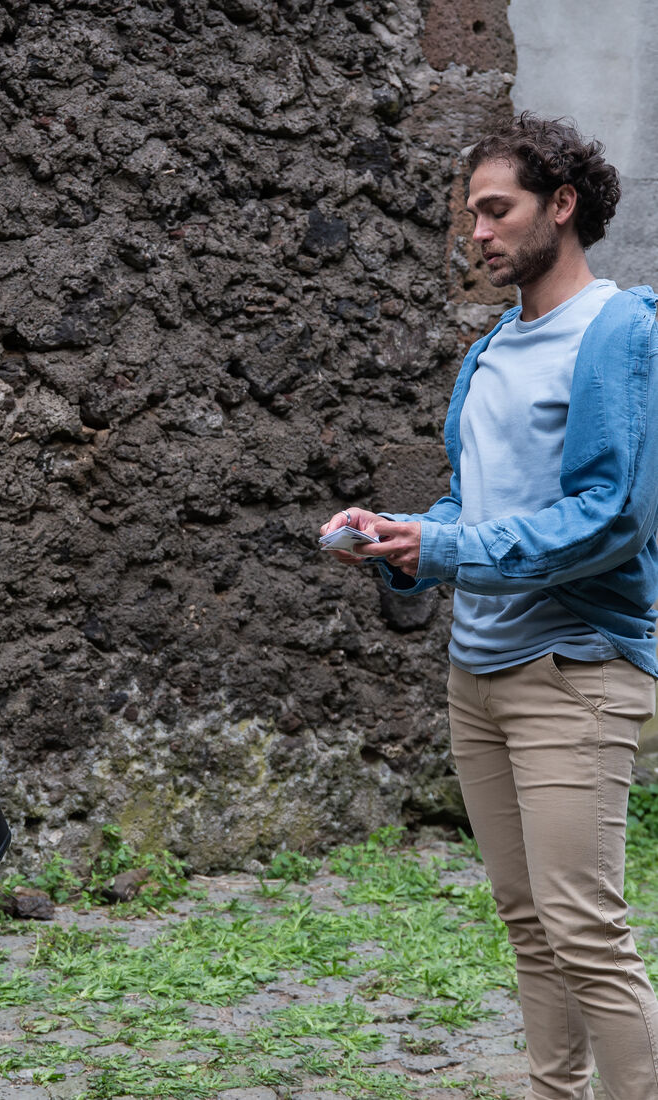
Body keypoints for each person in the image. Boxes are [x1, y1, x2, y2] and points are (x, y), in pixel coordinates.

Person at [321, 114, 658, 1099]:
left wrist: (451, 546)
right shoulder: (491, 348)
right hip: (477, 674)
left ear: (562, 206)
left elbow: (611, 517)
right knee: (528, 923)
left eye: (496, 209)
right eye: (471, 213)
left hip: (573, 670)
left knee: (584, 931)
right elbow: (475, 509)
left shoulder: (619, 333)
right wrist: (403, 536)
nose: (476, 231)